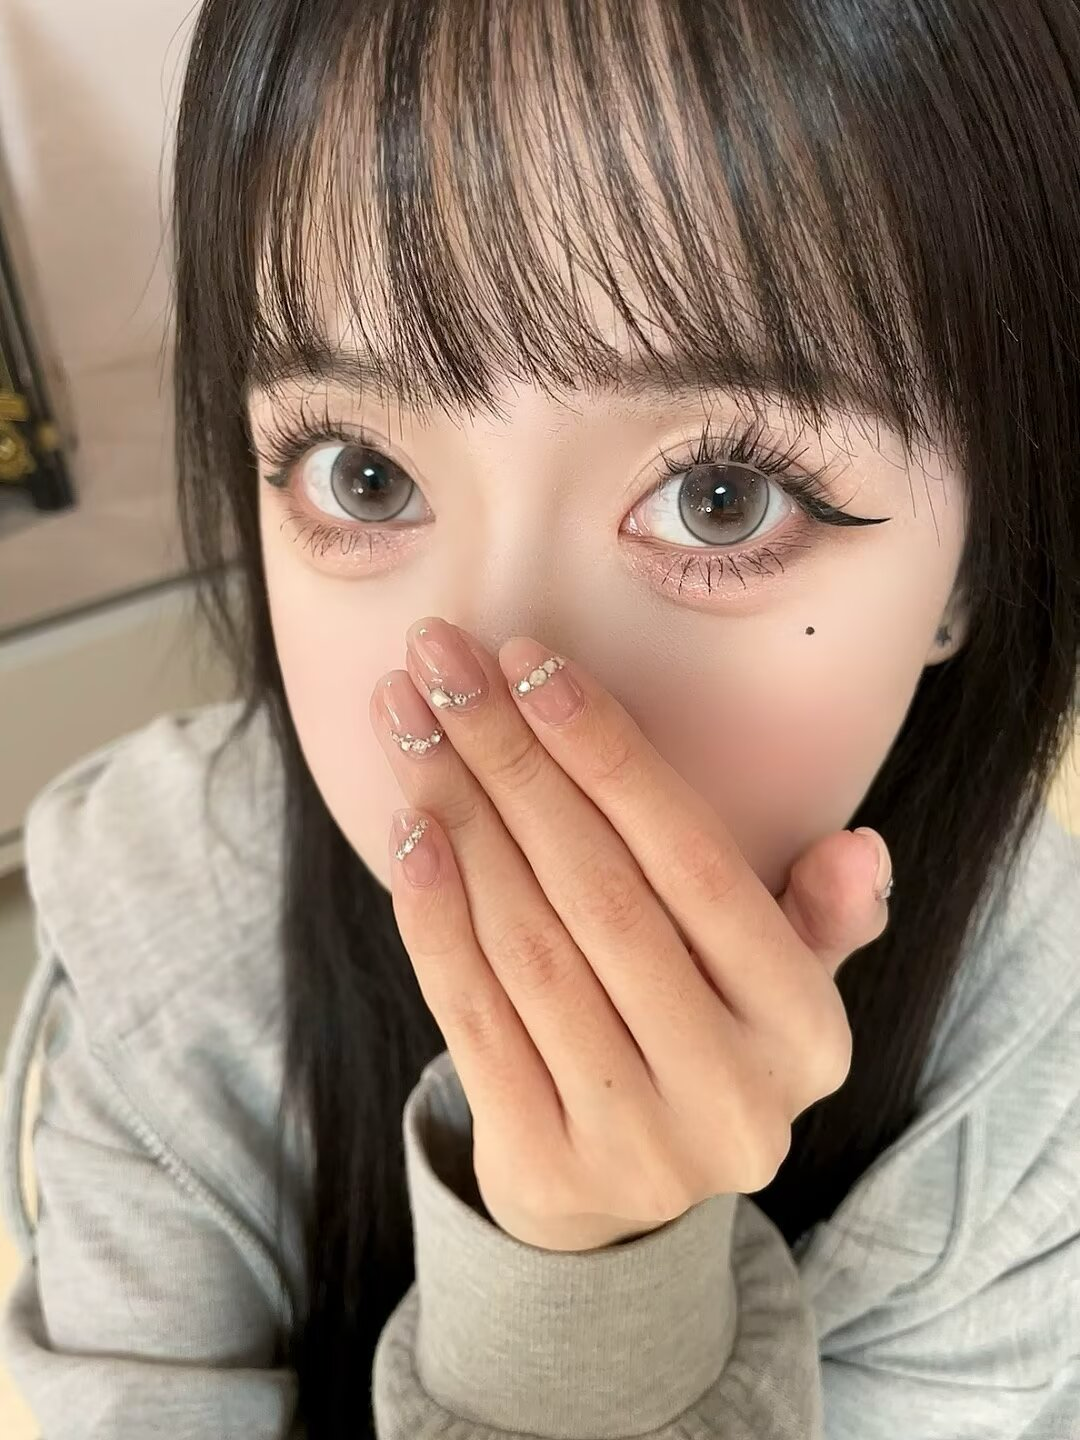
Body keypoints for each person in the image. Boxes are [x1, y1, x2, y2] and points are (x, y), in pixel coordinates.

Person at [2, 0, 1079, 1435]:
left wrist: (594, 1292)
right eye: (362, 472)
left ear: (978, 563)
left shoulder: (1028, 1066)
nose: (491, 699)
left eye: (722, 496)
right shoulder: (157, 937)